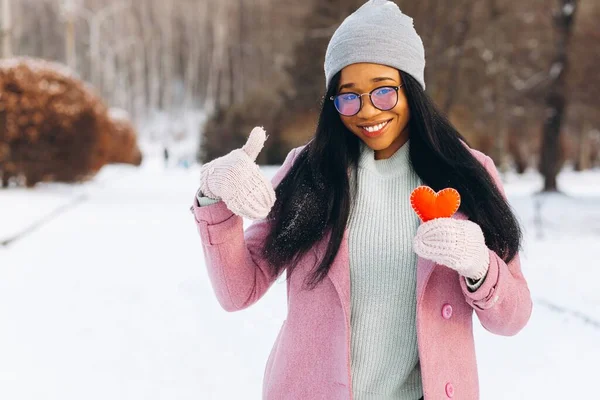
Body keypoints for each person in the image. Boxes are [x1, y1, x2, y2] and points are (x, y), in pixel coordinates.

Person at [190, 1, 532, 399]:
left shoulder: (467, 174)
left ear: (412, 88)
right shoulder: (310, 171)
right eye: (348, 96)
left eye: (384, 92)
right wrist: (213, 197)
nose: (367, 110)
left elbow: (513, 318)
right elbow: (238, 290)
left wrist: (479, 266)